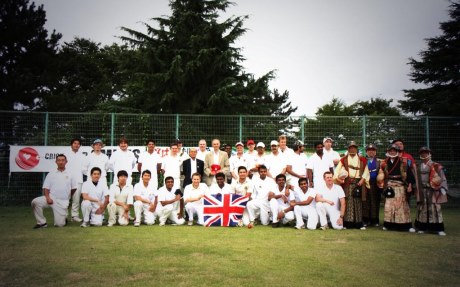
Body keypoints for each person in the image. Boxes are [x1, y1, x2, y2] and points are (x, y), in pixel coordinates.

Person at [31, 154, 77, 228]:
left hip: (63, 201)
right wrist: (48, 197)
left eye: (63, 160)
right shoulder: (51, 174)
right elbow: (46, 188)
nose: (61, 162)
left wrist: (68, 198)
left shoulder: (71, 174)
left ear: (66, 162)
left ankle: (64, 217)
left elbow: (74, 188)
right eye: (59, 160)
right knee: (35, 202)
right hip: (51, 198)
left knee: (60, 225)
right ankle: (42, 223)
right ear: (56, 162)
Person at [380, 144, 416, 232]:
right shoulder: (384, 163)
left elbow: (409, 174)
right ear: (388, 152)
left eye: (394, 150)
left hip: (400, 186)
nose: (392, 152)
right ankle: (388, 225)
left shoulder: (403, 161)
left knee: (402, 206)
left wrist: (410, 185)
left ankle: (406, 225)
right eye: (390, 151)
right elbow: (381, 175)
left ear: (397, 152)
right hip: (389, 186)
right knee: (389, 206)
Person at [334, 141, 369, 230]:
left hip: (359, 183)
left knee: (358, 202)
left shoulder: (362, 159)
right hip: (347, 183)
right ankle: (347, 223)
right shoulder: (343, 159)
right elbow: (337, 171)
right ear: (348, 149)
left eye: (354, 147)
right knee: (348, 202)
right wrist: (338, 179)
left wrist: (362, 180)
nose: (352, 149)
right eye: (350, 148)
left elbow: (366, 171)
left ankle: (359, 224)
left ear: (356, 149)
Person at [414, 147, 448, 236]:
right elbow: (416, 180)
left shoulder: (436, 166)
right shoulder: (418, 166)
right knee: (422, 208)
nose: (424, 154)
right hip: (422, 190)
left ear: (429, 154)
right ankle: (422, 227)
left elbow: (442, 177)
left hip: (433, 190)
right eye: (422, 153)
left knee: (435, 209)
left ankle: (438, 228)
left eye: (426, 152)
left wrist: (443, 188)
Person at [65, 138, 86, 222]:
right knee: (65, 199)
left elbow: (84, 169)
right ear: (71, 144)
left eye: (78, 144)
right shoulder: (65, 155)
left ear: (80, 146)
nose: (76, 145)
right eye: (74, 143)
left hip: (78, 180)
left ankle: (74, 216)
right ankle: (64, 215)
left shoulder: (83, 156)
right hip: (66, 180)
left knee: (76, 200)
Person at [362, 144, 382, 227]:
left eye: (373, 150)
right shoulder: (363, 160)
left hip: (375, 185)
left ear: (375, 152)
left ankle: (374, 220)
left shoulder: (379, 162)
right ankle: (365, 220)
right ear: (366, 152)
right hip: (365, 184)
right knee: (365, 202)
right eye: (369, 150)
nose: (371, 151)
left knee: (375, 202)